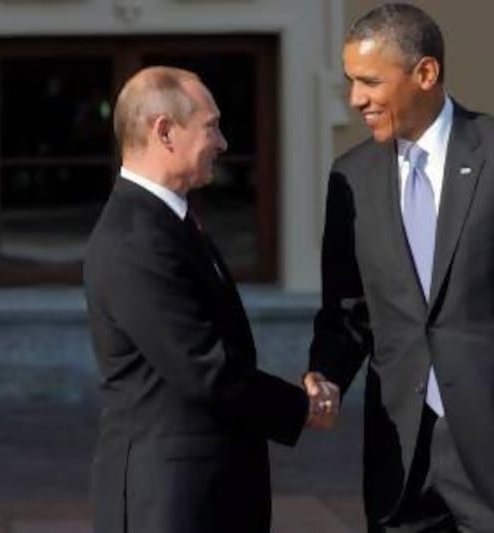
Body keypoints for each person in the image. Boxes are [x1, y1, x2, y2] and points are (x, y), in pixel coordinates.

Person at [305, 4, 494, 532]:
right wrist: (324, 374)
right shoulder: (350, 177)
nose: (356, 99)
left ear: (425, 73)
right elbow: (348, 311)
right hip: (400, 461)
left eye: (370, 81)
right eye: (351, 82)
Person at [83, 66, 338, 533]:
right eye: (211, 126)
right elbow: (204, 369)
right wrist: (303, 407)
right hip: (168, 499)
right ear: (165, 132)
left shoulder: (167, 222)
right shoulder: (136, 237)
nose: (222, 142)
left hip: (202, 490)